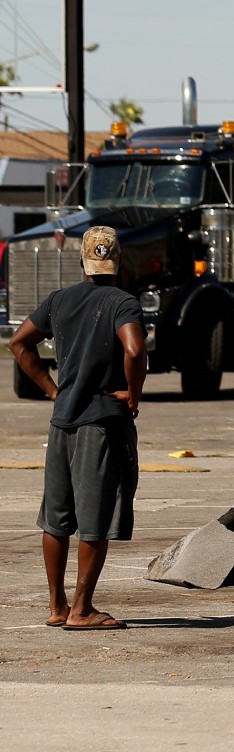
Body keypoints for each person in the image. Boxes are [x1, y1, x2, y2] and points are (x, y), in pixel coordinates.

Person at [9, 226, 145, 630]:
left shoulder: (59, 300)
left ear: (82, 262)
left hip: (62, 422)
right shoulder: (123, 302)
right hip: (99, 424)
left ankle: (57, 606)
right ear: (117, 262)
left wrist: (52, 390)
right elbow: (135, 350)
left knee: (56, 519)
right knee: (94, 518)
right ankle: (82, 609)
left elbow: (19, 343)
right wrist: (133, 394)